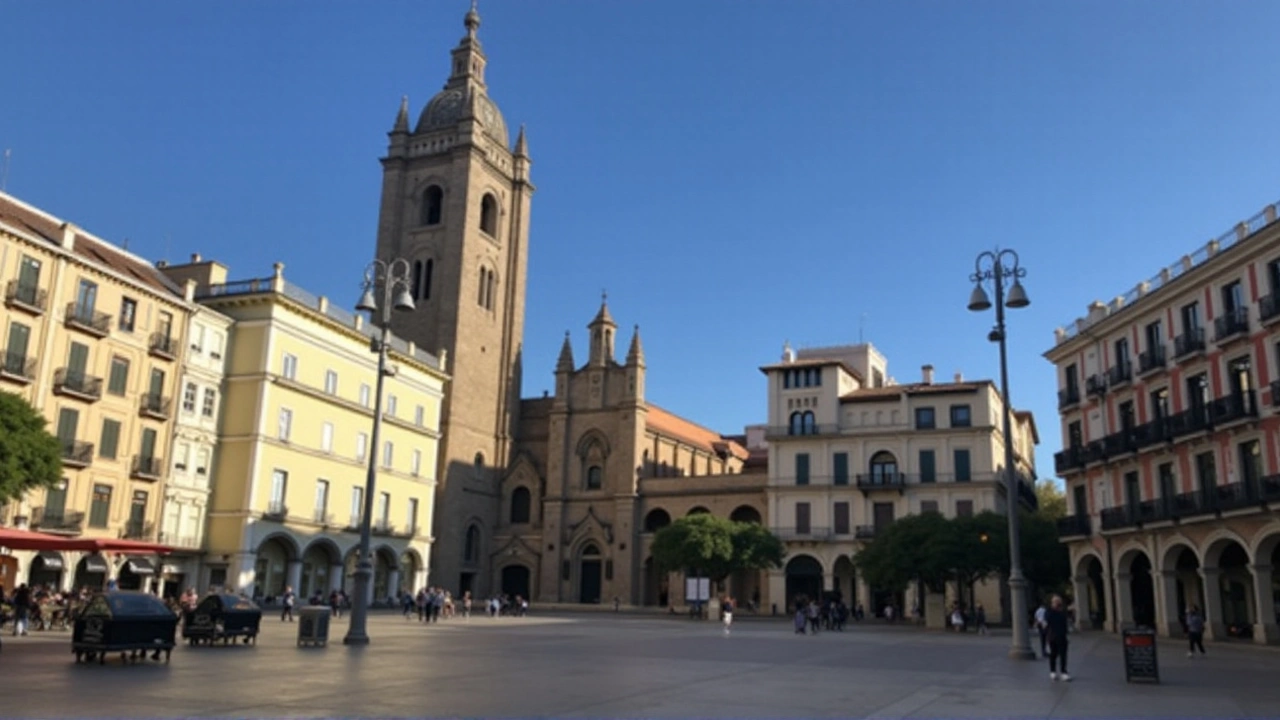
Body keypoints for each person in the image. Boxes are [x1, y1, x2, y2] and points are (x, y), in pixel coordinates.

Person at [1045, 595, 1071, 682]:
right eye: (1055, 602)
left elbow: (1065, 624)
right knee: (1053, 655)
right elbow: (1048, 620)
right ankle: (1053, 671)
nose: (1057, 604)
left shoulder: (1063, 612)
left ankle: (1064, 671)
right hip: (1052, 636)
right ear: (1052, 603)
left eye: (1058, 602)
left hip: (1062, 636)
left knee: (1063, 655)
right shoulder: (1049, 612)